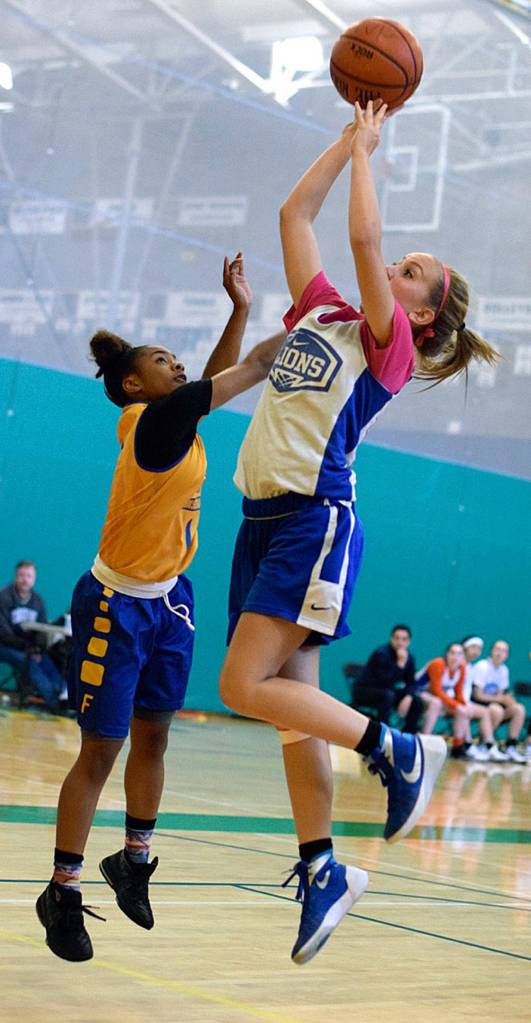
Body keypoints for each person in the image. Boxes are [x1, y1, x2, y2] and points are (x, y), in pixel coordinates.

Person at [218, 100, 499, 966]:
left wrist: (370, 151)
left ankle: (398, 747)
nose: (394, 263)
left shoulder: (388, 345)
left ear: (420, 314)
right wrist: (344, 142)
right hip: (262, 522)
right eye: (401, 261)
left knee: (239, 684)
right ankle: (322, 869)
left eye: (412, 271)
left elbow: (362, 237)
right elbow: (293, 214)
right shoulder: (322, 312)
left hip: (313, 520)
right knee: (290, 714)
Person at [36, 254, 286, 963]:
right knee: (101, 750)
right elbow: (253, 367)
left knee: (155, 737)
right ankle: (61, 890)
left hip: (170, 600)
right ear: (131, 385)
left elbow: (213, 380)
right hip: (114, 605)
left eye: (178, 360)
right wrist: (323, 322)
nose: (176, 365)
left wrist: (239, 309)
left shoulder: (175, 417)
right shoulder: (151, 426)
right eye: (161, 360)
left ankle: (134, 858)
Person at [422, 643, 506, 762]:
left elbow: (458, 693)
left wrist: (463, 706)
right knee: (437, 703)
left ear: (463, 656)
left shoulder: (461, 669)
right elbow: (436, 691)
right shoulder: (438, 664)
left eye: (459, 654)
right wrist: (457, 705)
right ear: (447, 654)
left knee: (463, 711)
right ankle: (424, 741)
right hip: (419, 693)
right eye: (452, 653)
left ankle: (460, 747)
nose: (455, 657)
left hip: (440, 699)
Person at [0, 560, 66, 712]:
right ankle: (54, 704)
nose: (25, 579)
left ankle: (64, 697)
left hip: (28, 648)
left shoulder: (37, 601)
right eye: (21, 575)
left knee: (47, 662)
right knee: (30, 663)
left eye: (28, 576)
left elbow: (42, 629)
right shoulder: (4, 597)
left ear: (34, 579)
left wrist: (38, 648)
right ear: (16, 576)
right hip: (6, 646)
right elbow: (3, 632)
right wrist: (26, 647)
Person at [352, 624, 426, 733]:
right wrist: (399, 665)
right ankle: (383, 732)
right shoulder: (381, 654)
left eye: (404, 639)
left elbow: (411, 682)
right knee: (388, 695)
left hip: (387, 692)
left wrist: (409, 696)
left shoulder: (409, 658)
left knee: (416, 701)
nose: (400, 642)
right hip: (364, 691)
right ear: (391, 639)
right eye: (397, 638)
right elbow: (383, 682)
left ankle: (408, 734)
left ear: (409, 642)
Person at [471, 640, 527, 763]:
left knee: (519, 709)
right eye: (497, 649)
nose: (500, 653)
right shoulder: (482, 666)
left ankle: (511, 746)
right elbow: (477, 695)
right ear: (491, 651)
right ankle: (484, 744)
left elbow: (500, 695)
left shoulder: (504, 670)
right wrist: (500, 699)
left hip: (495, 705)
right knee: (496, 710)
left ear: (507, 655)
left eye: (504, 651)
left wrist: (508, 701)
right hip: (478, 705)